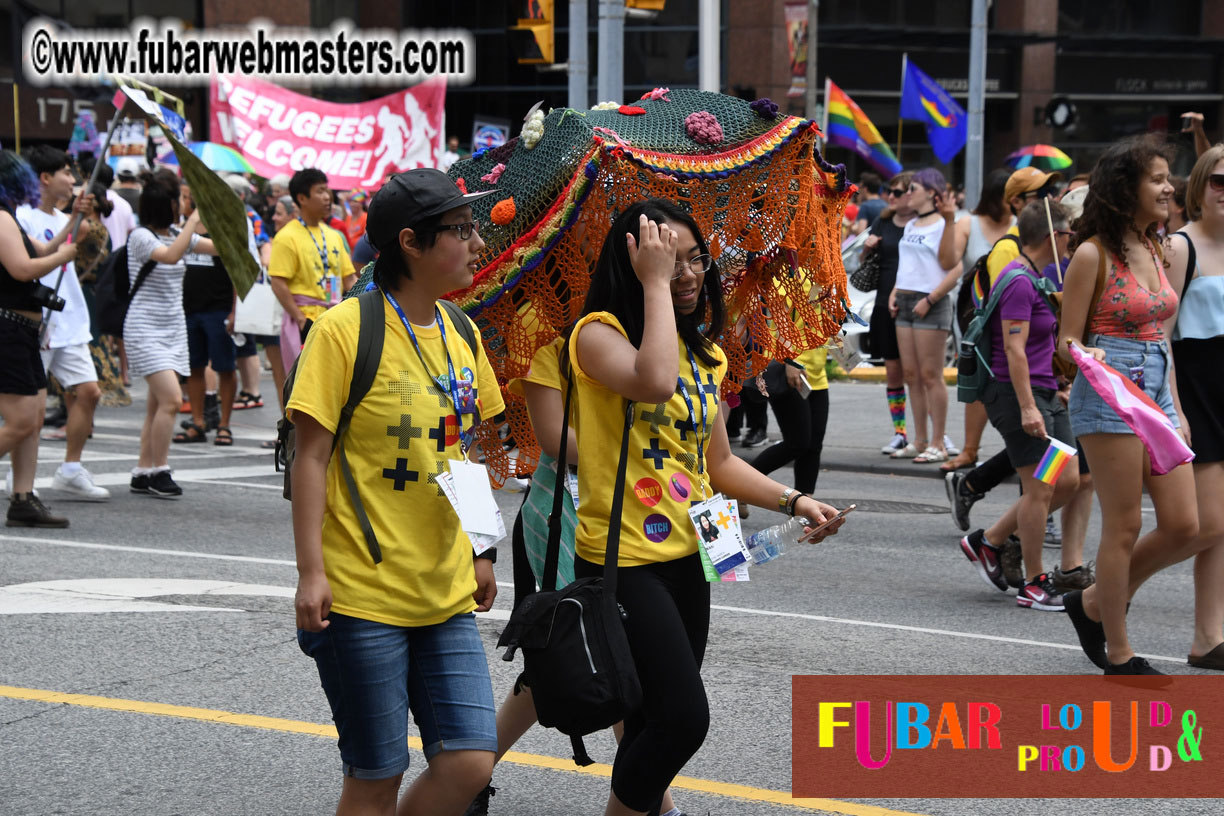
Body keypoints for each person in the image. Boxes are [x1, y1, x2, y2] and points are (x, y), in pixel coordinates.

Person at [569, 199, 844, 816]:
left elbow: (716, 464)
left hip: (692, 554)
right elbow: (653, 380)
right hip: (624, 562)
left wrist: (796, 500)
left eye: (695, 259)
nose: (688, 273)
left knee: (652, 717)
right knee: (686, 719)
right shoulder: (595, 336)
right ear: (634, 264)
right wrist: (655, 284)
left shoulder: (707, 355)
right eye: (671, 261)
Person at [289, 168, 501, 815]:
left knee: (469, 761)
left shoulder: (462, 333)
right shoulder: (344, 331)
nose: (474, 243)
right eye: (459, 231)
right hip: (362, 596)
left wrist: (482, 548)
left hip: (444, 592)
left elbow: (463, 449)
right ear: (410, 242)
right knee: (376, 777)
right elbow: (310, 456)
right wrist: (310, 573)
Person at [1058, 134, 1198, 676]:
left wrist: (1176, 407)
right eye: (1158, 179)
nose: (1169, 188)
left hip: (1157, 385)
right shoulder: (1092, 254)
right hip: (1109, 387)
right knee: (1123, 527)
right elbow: (1064, 342)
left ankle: (1093, 601)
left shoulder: (1159, 247)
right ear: (1125, 188)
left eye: (1169, 178)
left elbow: (1162, 334)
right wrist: (1081, 350)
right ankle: (1118, 650)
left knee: (1186, 524)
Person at [958, 202, 1084, 611]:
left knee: (1068, 480)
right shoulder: (1018, 282)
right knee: (1040, 489)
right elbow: (1014, 350)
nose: (1072, 242)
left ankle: (990, 540)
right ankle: (1034, 583)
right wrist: (1029, 407)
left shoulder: (1036, 278)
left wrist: (1059, 383)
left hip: (1045, 393)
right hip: (1017, 398)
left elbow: (1039, 343)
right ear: (1053, 236)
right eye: (1069, 235)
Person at [16, 146, 109, 501]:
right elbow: (33, 259)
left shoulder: (62, 218)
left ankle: (71, 469)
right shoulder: (20, 217)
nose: (72, 180)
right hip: (36, 322)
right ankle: (22, 478)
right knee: (32, 409)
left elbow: (88, 236)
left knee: (89, 392)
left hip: (69, 321)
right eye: (66, 173)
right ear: (45, 178)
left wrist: (75, 215)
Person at [125, 170, 218, 498]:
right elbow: (170, 256)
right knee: (171, 400)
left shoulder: (177, 233)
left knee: (155, 406)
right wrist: (194, 222)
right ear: (163, 204)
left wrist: (221, 217)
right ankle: (159, 470)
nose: (184, 203)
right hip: (144, 328)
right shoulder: (140, 237)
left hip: (172, 326)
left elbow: (218, 248)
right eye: (180, 198)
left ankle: (142, 469)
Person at [1167, 145, 1224, 670]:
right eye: (1220, 181)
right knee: (1207, 525)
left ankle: (1208, 638)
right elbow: (1160, 337)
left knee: (1221, 529)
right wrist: (1176, 408)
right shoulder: (1180, 247)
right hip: (1198, 390)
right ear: (1201, 185)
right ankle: (1100, 597)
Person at [0, 150, 77, 526]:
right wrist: (69, 254)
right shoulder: (0, 218)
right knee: (19, 422)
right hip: (8, 328)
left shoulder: (9, 218)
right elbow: (23, 268)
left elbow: (40, 250)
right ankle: (22, 497)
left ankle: (23, 498)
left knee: (30, 421)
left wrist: (75, 223)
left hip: (24, 330)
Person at [937, 167, 1016, 472]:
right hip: (976, 319)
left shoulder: (1024, 225)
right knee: (978, 381)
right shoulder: (969, 223)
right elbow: (947, 262)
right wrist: (948, 222)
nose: (1016, 203)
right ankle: (970, 450)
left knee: (1018, 379)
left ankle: (1015, 452)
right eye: (1011, 197)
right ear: (996, 197)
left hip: (1016, 316)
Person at [888, 168, 961, 463]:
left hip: (930, 301)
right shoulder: (912, 224)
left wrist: (930, 299)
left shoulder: (946, 224)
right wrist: (895, 291)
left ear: (932, 193)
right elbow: (908, 265)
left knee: (931, 375)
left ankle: (937, 442)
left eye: (912, 188)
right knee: (911, 376)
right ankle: (918, 440)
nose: (907, 194)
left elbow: (951, 266)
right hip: (905, 299)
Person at [268, 168, 356, 371]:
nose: (327, 197)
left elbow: (349, 278)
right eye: (320, 191)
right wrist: (300, 319)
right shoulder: (287, 236)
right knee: (306, 382)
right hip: (306, 322)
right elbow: (278, 282)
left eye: (327, 191)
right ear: (301, 198)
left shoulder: (333, 235)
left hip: (336, 318)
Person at [172, 183, 238, 447]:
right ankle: (198, 422)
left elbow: (236, 273)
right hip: (189, 310)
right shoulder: (182, 230)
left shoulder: (223, 228)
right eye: (186, 196)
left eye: (192, 196)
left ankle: (224, 424)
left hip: (218, 309)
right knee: (194, 369)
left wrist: (235, 311)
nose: (188, 201)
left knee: (225, 368)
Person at [863, 171, 914, 455]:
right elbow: (863, 260)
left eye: (897, 192)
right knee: (893, 370)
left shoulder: (923, 223)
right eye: (890, 191)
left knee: (918, 374)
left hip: (913, 302)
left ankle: (933, 435)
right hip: (884, 302)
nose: (891, 197)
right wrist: (868, 247)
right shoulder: (882, 220)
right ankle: (900, 432)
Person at [750, 344, 829, 494]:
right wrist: (789, 360)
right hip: (788, 370)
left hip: (817, 375)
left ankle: (804, 513)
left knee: (813, 446)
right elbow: (779, 324)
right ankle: (741, 486)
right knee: (797, 444)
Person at [850, 171, 885, 235]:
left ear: (865, 189)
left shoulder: (865, 206)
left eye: (860, 187)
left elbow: (861, 231)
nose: (859, 191)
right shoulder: (886, 205)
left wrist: (852, 228)